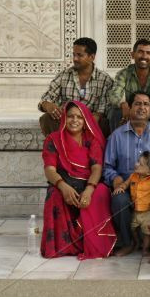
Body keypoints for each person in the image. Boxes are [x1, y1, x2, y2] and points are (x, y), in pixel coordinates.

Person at [41, 101, 116, 259]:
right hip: (64, 184)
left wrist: (89, 189)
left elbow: (97, 168)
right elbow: (49, 170)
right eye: (70, 116)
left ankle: (90, 243)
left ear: (85, 121)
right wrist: (63, 186)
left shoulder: (92, 140)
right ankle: (62, 246)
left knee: (101, 191)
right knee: (54, 194)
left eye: (79, 117)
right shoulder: (53, 139)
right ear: (64, 118)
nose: (75, 120)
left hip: (88, 183)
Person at [104, 90, 150, 257]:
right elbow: (107, 166)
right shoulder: (116, 136)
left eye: (146, 104)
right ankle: (128, 242)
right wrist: (115, 178)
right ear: (130, 108)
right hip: (127, 184)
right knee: (118, 199)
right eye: (137, 104)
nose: (142, 107)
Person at [38, 37, 113, 137]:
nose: (75, 59)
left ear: (92, 57)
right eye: (74, 54)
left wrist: (95, 117)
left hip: (90, 125)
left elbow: (104, 108)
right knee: (46, 118)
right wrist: (47, 105)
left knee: (104, 123)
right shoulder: (64, 75)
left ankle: (85, 149)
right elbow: (47, 98)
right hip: (66, 123)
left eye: (79, 55)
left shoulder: (105, 80)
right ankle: (62, 147)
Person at [108, 38, 150, 130]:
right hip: (131, 109)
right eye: (140, 52)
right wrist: (123, 104)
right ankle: (117, 142)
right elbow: (114, 95)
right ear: (132, 55)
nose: (144, 56)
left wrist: (144, 108)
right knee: (115, 111)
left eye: (148, 53)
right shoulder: (124, 73)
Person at [113, 151, 150, 256]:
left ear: (149, 171)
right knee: (132, 228)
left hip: (147, 213)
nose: (136, 164)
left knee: (147, 232)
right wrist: (121, 187)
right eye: (137, 161)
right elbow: (126, 183)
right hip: (135, 211)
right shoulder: (133, 176)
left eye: (140, 164)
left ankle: (145, 248)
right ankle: (135, 242)